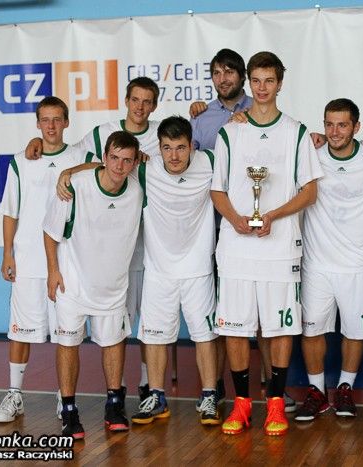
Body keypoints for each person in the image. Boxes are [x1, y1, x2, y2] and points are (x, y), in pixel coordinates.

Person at [210, 51, 322, 436]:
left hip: (280, 247)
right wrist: (235, 218)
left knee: (279, 328)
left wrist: (272, 215)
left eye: (269, 81)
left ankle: (275, 402)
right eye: (256, 81)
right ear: (249, 82)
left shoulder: (296, 132)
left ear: (280, 84)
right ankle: (242, 404)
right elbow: (217, 190)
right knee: (235, 328)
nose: (262, 88)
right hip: (236, 247)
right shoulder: (230, 131)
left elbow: (309, 192)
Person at [30, 77, 161, 402]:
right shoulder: (103, 132)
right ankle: (92, 396)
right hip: (99, 262)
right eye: (135, 100)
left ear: (154, 105)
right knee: (111, 333)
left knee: (141, 326)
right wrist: (63, 167)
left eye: (147, 101)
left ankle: (147, 385)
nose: (140, 107)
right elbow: (76, 155)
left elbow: (183, 155)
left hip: (143, 254)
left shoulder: (162, 135)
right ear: (126, 101)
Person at [43, 131, 143, 439]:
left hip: (113, 287)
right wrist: (53, 271)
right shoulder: (75, 185)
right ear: (104, 158)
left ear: (135, 163)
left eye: (127, 160)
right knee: (68, 344)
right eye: (114, 158)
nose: (119, 166)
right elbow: (50, 231)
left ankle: (114, 406)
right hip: (72, 283)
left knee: (114, 343)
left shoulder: (137, 189)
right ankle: (69, 410)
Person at [0, 97, 87, 423]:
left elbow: (102, 167)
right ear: (37, 123)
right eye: (45, 120)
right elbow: (11, 211)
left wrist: (72, 170)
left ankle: (65, 397)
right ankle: (14, 394)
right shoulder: (21, 161)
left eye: (57, 119)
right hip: (29, 261)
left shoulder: (79, 156)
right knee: (20, 331)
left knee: (67, 335)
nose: (51, 126)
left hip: (67, 263)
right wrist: (7, 252)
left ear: (66, 122)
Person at [295, 99, 363, 422]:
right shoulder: (311, 154)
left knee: (355, 332)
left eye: (342, 125)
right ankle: (317, 392)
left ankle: (345, 388)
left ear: (356, 127)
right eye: (329, 124)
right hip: (317, 262)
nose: (334, 132)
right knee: (311, 331)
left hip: (359, 263)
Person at [129, 116, 221, 426]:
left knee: (205, 336)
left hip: (198, 269)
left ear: (191, 145)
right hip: (158, 270)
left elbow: (254, 157)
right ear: (159, 147)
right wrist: (67, 173)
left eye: (180, 147)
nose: (174, 156)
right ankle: (156, 396)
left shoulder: (210, 161)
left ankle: (209, 396)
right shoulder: (145, 168)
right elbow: (105, 167)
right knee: (155, 337)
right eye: (167, 148)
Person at [191, 48, 254, 151]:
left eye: (229, 72)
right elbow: (189, 157)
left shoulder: (258, 108)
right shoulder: (200, 116)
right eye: (217, 73)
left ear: (243, 75)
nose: (222, 79)